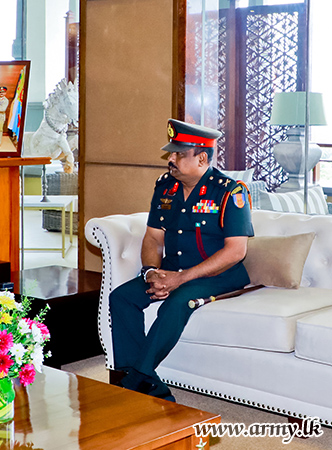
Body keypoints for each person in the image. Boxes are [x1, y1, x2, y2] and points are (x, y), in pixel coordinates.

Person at [109, 118, 253, 402]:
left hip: (218, 275)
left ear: (202, 159)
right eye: (171, 153)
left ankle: (135, 382)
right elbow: (153, 238)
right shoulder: (166, 187)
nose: (170, 159)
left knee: (177, 302)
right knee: (122, 298)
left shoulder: (229, 191)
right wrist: (151, 272)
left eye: (178, 154)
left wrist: (181, 278)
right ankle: (150, 385)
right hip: (172, 272)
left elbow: (236, 251)